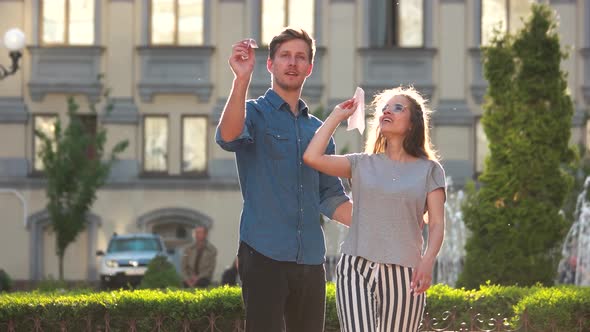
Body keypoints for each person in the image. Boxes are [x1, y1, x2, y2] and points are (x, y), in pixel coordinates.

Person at [215, 28, 352, 332]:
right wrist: (241, 80)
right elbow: (228, 136)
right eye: (285, 56)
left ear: (309, 68)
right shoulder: (252, 112)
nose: (293, 63)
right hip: (263, 252)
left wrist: (383, 218)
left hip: (311, 258)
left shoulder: (318, 131)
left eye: (300, 57)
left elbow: (331, 197)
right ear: (271, 64)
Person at [303, 86, 446, 332]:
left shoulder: (430, 170)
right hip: (355, 267)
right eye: (384, 108)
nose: (387, 111)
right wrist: (336, 116)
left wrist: (427, 262)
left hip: (405, 273)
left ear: (413, 123)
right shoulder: (361, 163)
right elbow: (312, 157)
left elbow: (436, 224)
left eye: (397, 108)